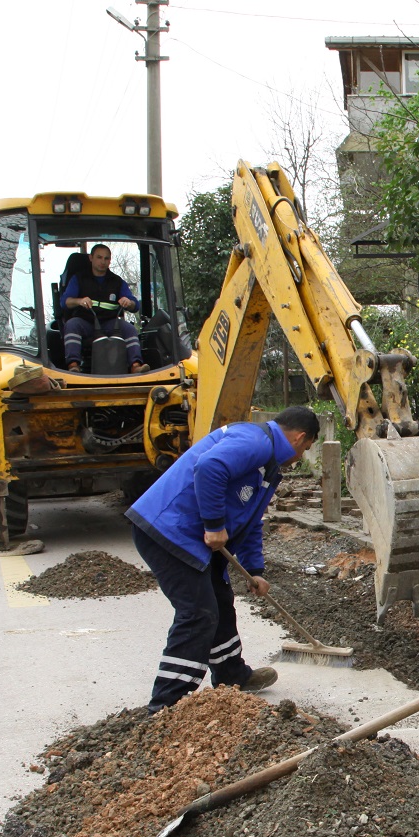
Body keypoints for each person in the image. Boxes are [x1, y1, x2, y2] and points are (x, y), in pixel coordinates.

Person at [126, 405, 321, 712]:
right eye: (306, 448)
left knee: (219, 600)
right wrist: (214, 524)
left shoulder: (268, 464)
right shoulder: (256, 442)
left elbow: (251, 520)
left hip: (193, 537)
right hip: (169, 531)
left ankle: (232, 675)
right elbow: (210, 467)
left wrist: (255, 570)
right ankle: (165, 706)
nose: (302, 456)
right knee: (199, 614)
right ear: (299, 438)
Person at [60, 244, 148, 374]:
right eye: (99, 257)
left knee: (129, 329)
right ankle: (73, 366)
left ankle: (135, 366)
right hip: (85, 323)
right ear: (91, 258)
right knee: (72, 325)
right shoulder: (78, 279)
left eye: (106, 258)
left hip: (110, 324)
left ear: (110, 261)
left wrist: (128, 302)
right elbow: (64, 302)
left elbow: (135, 305)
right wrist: (79, 301)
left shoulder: (117, 281)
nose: (103, 261)